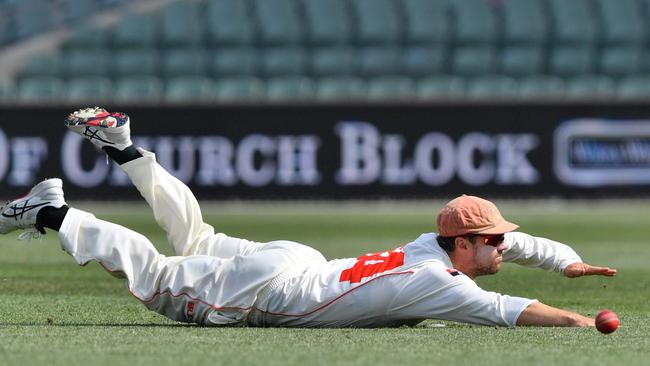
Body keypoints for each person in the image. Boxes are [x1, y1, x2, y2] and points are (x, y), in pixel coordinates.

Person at [0, 107, 617, 328]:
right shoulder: (440, 282)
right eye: (495, 242)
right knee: (162, 279)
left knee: (199, 238)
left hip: (297, 263)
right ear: (464, 245)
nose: (504, 249)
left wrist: (565, 260)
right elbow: (512, 312)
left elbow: (520, 243)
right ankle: (53, 211)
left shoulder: (430, 245)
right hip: (279, 291)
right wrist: (582, 320)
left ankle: (128, 152)